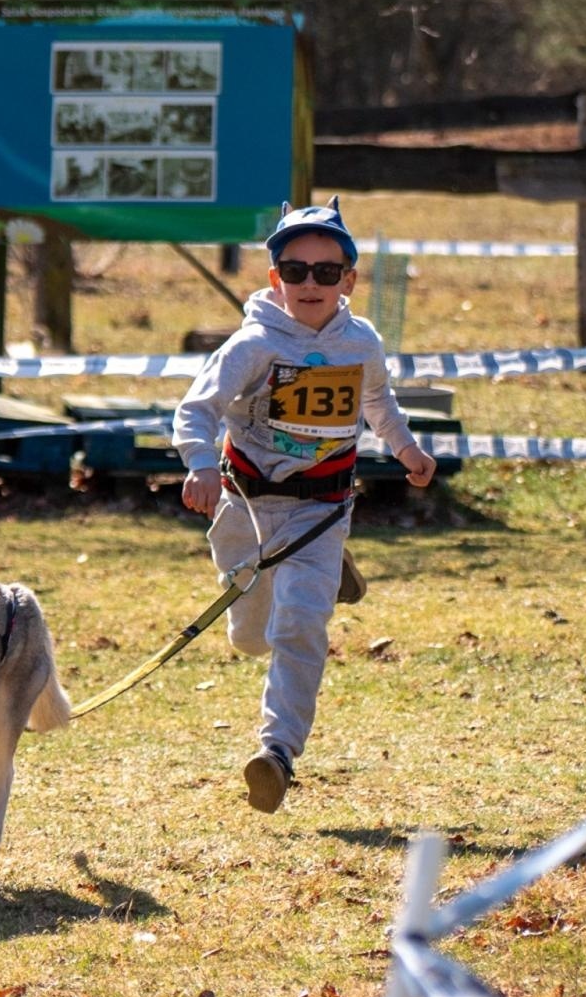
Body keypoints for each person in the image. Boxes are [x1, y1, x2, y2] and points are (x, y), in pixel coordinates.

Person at [172, 196, 436, 813]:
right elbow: (197, 409)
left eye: (325, 271)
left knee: (299, 626)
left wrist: (405, 448)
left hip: (321, 510)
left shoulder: (361, 343)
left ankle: (277, 753)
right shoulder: (252, 346)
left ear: (348, 280)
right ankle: (306, 574)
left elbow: (379, 404)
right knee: (250, 636)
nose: (310, 283)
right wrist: (200, 464)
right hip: (245, 506)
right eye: (295, 271)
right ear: (276, 279)